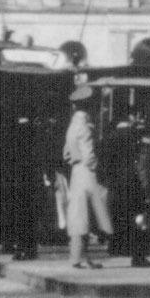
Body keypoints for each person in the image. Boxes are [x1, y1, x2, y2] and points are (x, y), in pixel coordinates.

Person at [61, 86, 113, 269]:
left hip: (76, 172)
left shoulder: (72, 127)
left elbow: (66, 153)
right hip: (87, 172)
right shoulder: (85, 128)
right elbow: (89, 154)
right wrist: (94, 167)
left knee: (79, 216)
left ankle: (77, 257)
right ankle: (82, 257)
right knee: (92, 213)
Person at [100, 113, 150, 267]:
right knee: (138, 220)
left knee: (120, 219)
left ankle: (116, 248)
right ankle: (139, 256)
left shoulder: (108, 138)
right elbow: (141, 164)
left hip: (115, 186)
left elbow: (103, 165)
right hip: (132, 184)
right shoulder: (134, 137)